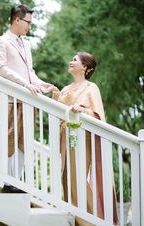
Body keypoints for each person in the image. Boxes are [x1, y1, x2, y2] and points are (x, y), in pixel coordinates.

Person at [0, 4, 57, 193]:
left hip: (28, 101)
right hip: (10, 99)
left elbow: (30, 73)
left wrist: (41, 84)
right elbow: (1, 69)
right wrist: (25, 84)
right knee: (9, 138)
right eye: (28, 22)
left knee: (24, 140)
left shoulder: (26, 44)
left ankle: (18, 181)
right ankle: (7, 182)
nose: (29, 26)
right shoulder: (1, 41)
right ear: (17, 20)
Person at [53, 52, 118, 226]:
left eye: (75, 60)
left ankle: (93, 221)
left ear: (85, 67)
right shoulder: (66, 89)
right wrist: (54, 94)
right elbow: (58, 111)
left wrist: (82, 110)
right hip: (65, 138)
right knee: (66, 178)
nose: (70, 61)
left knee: (76, 178)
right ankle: (77, 220)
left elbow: (97, 115)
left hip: (83, 139)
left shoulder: (91, 88)